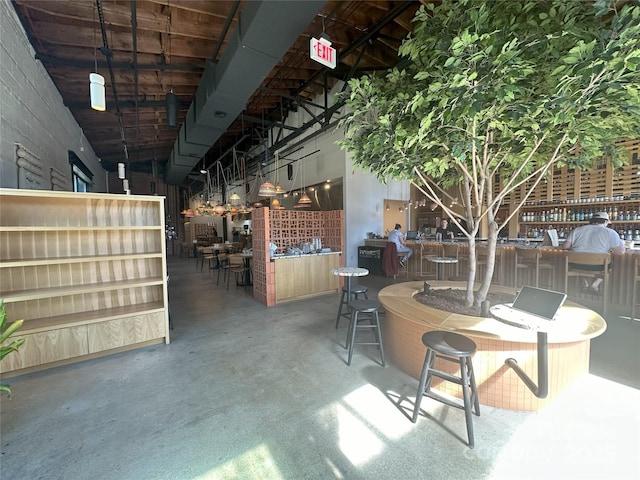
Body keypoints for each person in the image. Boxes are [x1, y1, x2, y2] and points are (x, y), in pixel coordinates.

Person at [563, 211, 625, 293]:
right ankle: (594, 285)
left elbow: (565, 247)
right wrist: (622, 243)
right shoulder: (610, 232)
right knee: (610, 264)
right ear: (606, 222)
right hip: (598, 266)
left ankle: (585, 283)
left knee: (581, 259)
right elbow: (620, 252)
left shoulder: (577, 230)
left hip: (575, 265)